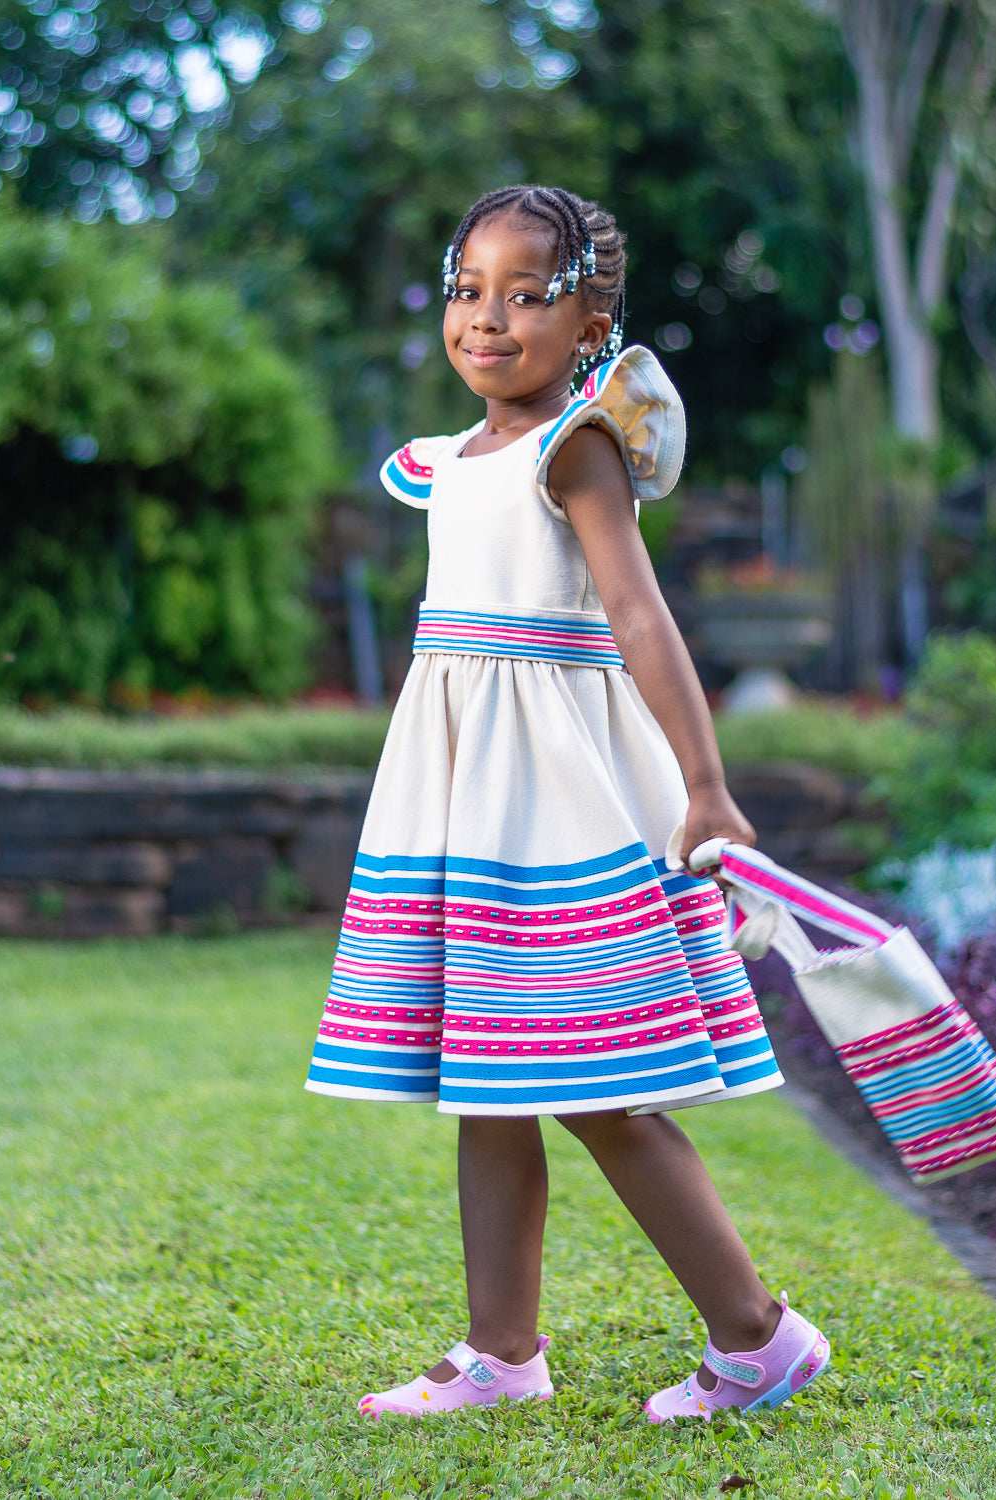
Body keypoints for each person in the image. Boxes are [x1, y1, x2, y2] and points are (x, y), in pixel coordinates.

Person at [304, 185, 830, 1423]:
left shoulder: (574, 445)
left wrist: (707, 785)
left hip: (557, 805)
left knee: (594, 1087)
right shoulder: (448, 463)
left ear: (593, 316)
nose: (489, 319)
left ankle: (760, 1337)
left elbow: (640, 616)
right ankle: (502, 1354)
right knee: (484, 1082)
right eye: (468, 288)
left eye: (528, 294)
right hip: (460, 806)